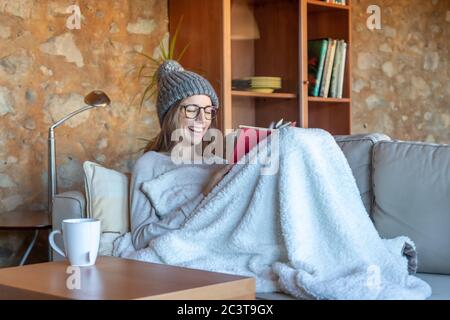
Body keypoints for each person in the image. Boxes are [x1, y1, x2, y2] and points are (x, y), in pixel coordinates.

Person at [130, 60, 232, 250]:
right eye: (192, 110)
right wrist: (204, 195)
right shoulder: (150, 164)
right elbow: (140, 239)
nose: (203, 120)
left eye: (209, 111)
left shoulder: (220, 164)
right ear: (170, 113)